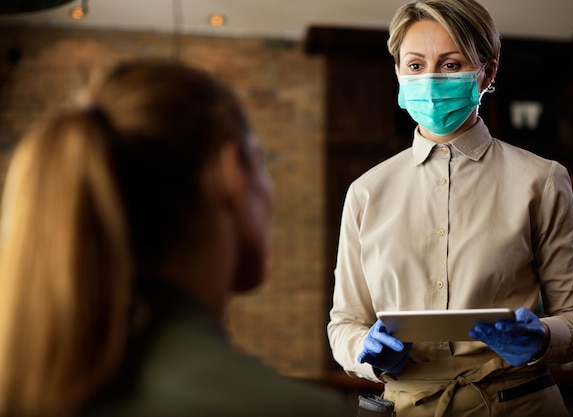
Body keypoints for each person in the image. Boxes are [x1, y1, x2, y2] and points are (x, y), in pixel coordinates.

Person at [0, 59, 353, 417]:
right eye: (260, 162)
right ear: (231, 173)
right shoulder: (294, 409)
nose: (272, 191)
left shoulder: (24, 388)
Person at [327, 1, 573, 416]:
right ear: (399, 73)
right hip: (406, 406)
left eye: (451, 65)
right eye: (415, 66)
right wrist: (362, 350)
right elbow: (344, 322)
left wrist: (543, 337)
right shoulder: (366, 191)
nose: (432, 79)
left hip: (519, 405)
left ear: (487, 73)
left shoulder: (541, 180)